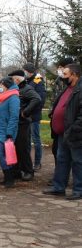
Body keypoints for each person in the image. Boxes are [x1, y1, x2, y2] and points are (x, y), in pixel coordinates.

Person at [43, 64, 82, 200]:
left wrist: (74, 129)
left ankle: (79, 190)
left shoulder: (80, 90)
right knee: (62, 160)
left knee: (78, 161)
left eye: (65, 74)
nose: (63, 77)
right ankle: (59, 187)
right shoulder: (68, 88)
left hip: (75, 134)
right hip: (62, 133)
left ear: (74, 75)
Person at [8, 70, 41, 181]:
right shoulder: (16, 89)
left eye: (12, 79)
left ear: (17, 79)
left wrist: (25, 112)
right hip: (16, 123)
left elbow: (37, 99)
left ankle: (28, 171)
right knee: (15, 148)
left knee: (23, 148)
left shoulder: (26, 89)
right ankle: (17, 171)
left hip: (23, 123)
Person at [0, 77, 20, 188]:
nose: (0, 87)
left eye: (1, 85)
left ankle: (10, 178)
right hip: (0, 130)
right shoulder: (2, 97)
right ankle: (7, 178)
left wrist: (9, 132)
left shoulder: (13, 98)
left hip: (7, 132)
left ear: (6, 85)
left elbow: (14, 117)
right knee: (3, 154)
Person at [23, 63, 47, 171]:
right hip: (26, 115)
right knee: (26, 140)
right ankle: (27, 163)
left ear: (29, 71)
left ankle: (37, 163)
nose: (24, 73)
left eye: (25, 71)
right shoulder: (27, 81)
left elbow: (40, 99)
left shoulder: (38, 81)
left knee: (36, 139)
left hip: (34, 116)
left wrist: (31, 111)